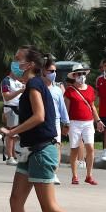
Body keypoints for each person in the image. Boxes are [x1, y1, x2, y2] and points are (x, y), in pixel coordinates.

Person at [0, 45, 104, 212]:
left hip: (42, 151)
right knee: (15, 201)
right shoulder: (33, 84)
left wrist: (12, 131)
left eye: (18, 59)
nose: (15, 63)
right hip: (31, 150)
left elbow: (40, 116)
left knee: (49, 207)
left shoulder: (34, 84)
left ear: (30, 64)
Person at [64, 64, 105, 185]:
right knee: (74, 149)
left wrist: (98, 120)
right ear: (74, 76)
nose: (81, 76)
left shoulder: (90, 89)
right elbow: (66, 109)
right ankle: (74, 175)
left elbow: (92, 106)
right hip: (74, 123)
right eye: (78, 74)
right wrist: (65, 124)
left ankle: (89, 175)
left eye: (83, 74)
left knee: (90, 148)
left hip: (88, 122)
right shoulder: (69, 91)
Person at [43, 57, 70, 185]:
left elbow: (62, 107)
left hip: (55, 121)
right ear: (43, 71)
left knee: (56, 147)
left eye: (54, 71)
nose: (53, 74)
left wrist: (66, 122)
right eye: (50, 71)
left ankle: (54, 173)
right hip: (42, 121)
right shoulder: (38, 88)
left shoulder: (58, 90)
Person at [1, 69, 25, 165]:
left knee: (16, 134)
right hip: (10, 108)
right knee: (11, 133)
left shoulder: (19, 82)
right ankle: (10, 157)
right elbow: (6, 97)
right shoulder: (6, 81)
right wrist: (20, 91)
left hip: (20, 108)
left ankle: (14, 155)